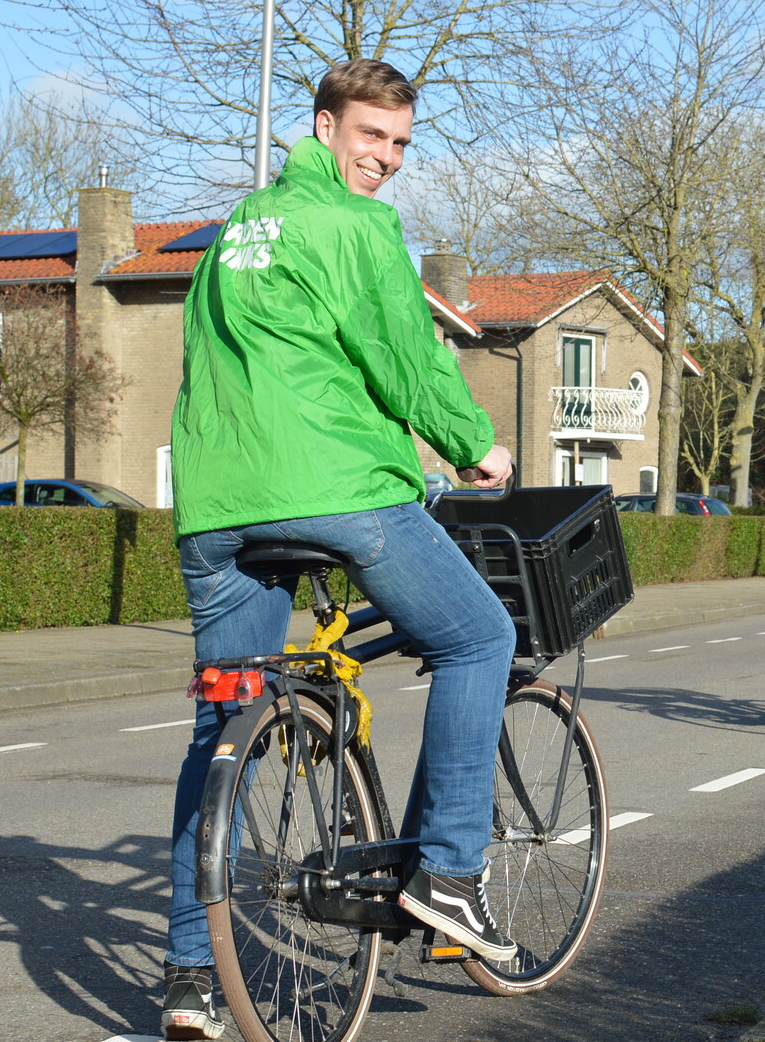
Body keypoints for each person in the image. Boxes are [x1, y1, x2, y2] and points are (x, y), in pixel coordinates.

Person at [162, 59, 516, 1040]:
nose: (388, 160)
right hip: (334, 494)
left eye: (402, 143)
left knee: (222, 725)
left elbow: (227, 361)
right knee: (477, 638)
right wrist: (472, 443)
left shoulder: (237, 229)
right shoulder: (357, 228)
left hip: (220, 512)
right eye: (371, 136)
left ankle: (192, 976)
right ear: (324, 126)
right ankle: (448, 873)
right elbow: (404, 355)